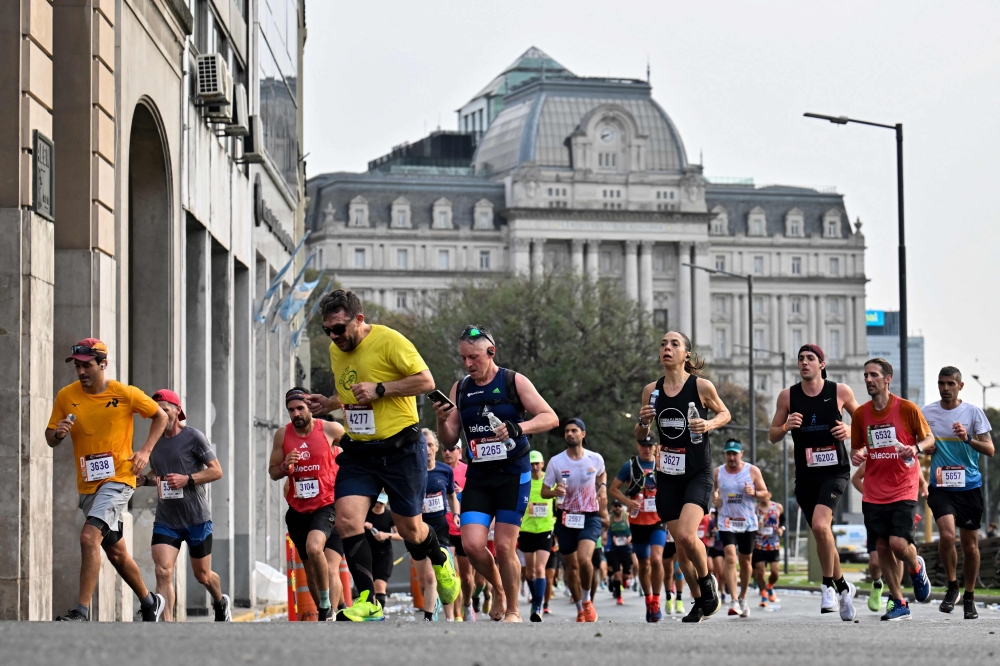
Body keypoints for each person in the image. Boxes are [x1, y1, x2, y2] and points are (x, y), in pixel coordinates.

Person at [305, 290, 458, 621]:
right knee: (347, 519)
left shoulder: (390, 341)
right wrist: (330, 403)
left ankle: (441, 560)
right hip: (360, 450)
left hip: (401, 447)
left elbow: (426, 381)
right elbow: (351, 391)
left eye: (339, 328)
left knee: (411, 531)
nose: (333, 336)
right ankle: (368, 600)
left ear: (359, 320)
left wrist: (381, 389)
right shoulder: (336, 350)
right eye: (327, 330)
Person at [433, 325, 559, 622]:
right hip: (480, 476)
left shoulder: (513, 381)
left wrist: (519, 427)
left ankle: (514, 609)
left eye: (474, 357)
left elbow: (550, 417)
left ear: (491, 353)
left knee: (504, 545)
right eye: (464, 358)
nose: (468, 364)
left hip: (513, 474)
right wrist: (441, 421)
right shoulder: (460, 388)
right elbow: (449, 440)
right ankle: (499, 588)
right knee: (473, 545)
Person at [48, 338, 168, 622]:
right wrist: (59, 433)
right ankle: (150, 602)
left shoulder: (124, 394)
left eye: (86, 365)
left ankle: (81, 610)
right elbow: (51, 438)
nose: (81, 372)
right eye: (77, 366)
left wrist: (145, 451)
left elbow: (160, 416)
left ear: (103, 364)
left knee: (89, 537)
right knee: (116, 552)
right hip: (88, 484)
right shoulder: (66, 395)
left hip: (119, 479)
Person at [636, 331, 731, 622]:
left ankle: (707, 583)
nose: (667, 348)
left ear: (686, 354)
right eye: (663, 344)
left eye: (674, 344)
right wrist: (642, 422)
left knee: (690, 537)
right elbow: (642, 435)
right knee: (680, 545)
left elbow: (725, 413)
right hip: (668, 474)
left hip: (697, 472)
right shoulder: (651, 390)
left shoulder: (701, 386)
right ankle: (700, 602)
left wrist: (709, 423)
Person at [768, 343, 860, 619]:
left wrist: (849, 428)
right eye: (801, 359)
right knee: (822, 533)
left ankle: (827, 585)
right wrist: (785, 427)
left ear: (822, 364)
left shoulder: (840, 391)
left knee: (821, 525)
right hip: (806, 475)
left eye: (810, 358)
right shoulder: (788, 397)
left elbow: (866, 422)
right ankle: (844, 587)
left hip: (835, 471)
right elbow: (772, 434)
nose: (804, 363)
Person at [850, 357, 934, 621]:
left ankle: (915, 564)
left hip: (903, 487)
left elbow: (929, 439)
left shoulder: (907, 409)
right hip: (874, 491)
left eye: (873, 375)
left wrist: (916, 448)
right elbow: (858, 447)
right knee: (882, 548)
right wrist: (857, 455)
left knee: (898, 544)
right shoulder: (860, 414)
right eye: (865, 375)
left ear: (887, 379)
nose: (868, 380)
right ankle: (898, 601)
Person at [139, 389, 229, 622]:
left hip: (197, 519)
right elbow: (156, 474)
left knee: (203, 576)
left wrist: (187, 479)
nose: (161, 415)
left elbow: (216, 471)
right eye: (156, 412)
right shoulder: (154, 441)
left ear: (177, 410)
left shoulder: (193, 437)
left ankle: (220, 602)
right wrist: (144, 480)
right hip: (167, 520)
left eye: (165, 410)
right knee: (163, 571)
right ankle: (168, 625)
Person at [922, 366, 994, 619]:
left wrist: (967, 439)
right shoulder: (927, 412)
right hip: (941, 486)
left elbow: (990, 449)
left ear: (960, 386)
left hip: (969, 487)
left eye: (950, 383)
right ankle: (953, 587)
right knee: (946, 533)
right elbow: (919, 441)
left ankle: (970, 596)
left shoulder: (973, 413)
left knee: (970, 546)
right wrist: (925, 449)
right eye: (941, 383)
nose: (945, 388)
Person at [269, 388, 346, 621]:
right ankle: (325, 611)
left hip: (327, 504)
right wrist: (284, 467)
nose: (296, 414)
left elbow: (356, 451)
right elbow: (273, 472)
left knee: (316, 548)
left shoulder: (331, 429)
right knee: (310, 567)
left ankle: (327, 607)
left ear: (309, 407)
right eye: (291, 410)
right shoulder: (283, 435)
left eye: (300, 408)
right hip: (298, 510)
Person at [540, 419, 607, 622]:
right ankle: (580, 608)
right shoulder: (556, 462)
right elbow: (544, 492)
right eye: (567, 431)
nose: (570, 434)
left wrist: (602, 486)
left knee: (584, 560)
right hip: (566, 517)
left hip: (589, 516)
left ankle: (587, 601)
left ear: (583, 434)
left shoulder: (594, 459)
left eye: (574, 431)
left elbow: (602, 474)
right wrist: (554, 492)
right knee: (571, 567)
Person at [610, 434, 667, 622]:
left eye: (650, 445)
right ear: (638, 446)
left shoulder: (662, 464)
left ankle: (657, 601)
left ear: (656, 447)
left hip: (658, 520)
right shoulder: (630, 466)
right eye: (643, 445)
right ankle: (648, 600)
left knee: (657, 559)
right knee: (644, 564)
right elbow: (613, 489)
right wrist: (627, 502)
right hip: (637, 522)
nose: (647, 449)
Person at [713, 439, 768, 618]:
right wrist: (715, 499)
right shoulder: (718, 472)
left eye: (734, 454)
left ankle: (743, 597)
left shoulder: (752, 471)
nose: (731, 457)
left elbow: (766, 494)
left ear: (741, 454)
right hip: (726, 521)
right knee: (729, 557)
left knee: (745, 561)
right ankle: (734, 600)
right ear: (725, 454)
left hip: (747, 522)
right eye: (728, 453)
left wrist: (754, 493)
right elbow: (713, 492)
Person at [416, 429, 459, 621]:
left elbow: (451, 495)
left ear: (436, 448)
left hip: (440, 527)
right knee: (424, 581)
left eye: (431, 445)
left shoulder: (445, 470)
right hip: (417, 528)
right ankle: (434, 607)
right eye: (423, 445)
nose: (428, 449)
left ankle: (435, 617)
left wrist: (456, 513)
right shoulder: (412, 472)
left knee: (434, 575)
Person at [519, 450, 556, 622]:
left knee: (541, 569)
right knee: (531, 571)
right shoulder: (523, 481)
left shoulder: (549, 483)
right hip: (526, 529)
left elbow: (559, 501)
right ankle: (536, 599)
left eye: (537, 463)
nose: (534, 467)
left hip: (545, 529)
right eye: (531, 464)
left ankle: (538, 605)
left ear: (543, 464)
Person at [364, 492, 402, 610]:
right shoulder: (365, 513)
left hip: (384, 554)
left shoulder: (389, 515)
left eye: (381, 503)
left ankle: (379, 613)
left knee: (380, 586)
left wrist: (386, 535)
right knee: (368, 587)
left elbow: (401, 535)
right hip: (367, 554)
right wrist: (362, 524)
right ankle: (369, 611)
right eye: (376, 502)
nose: (378, 505)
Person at [753, 493, 784, 609]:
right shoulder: (754, 509)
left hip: (773, 545)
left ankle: (770, 586)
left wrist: (782, 528)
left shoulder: (778, 507)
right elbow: (749, 524)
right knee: (760, 573)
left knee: (775, 572)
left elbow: (783, 520)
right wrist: (757, 525)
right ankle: (764, 594)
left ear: (769, 494)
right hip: (759, 545)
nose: (761, 496)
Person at [605, 501, 633, 605]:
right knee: (617, 574)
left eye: (619, 506)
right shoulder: (610, 518)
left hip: (626, 549)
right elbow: (605, 530)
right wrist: (609, 538)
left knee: (626, 575)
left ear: (622, 507)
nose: (617, 508)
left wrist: (630, 538)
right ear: (612, 507)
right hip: (614, 550)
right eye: (615, 506)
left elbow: (633, 529)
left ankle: (625, 581)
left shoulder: (627, 517)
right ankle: (619, 596)